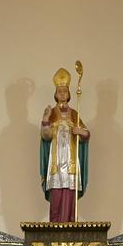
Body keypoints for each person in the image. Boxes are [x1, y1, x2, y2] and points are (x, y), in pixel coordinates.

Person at [40, 66, 90, 222]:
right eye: (59, 91)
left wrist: (80, 131)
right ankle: (55, 224)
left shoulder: (74, 113)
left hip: (70, 160)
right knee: (56, 192)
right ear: (55, 94)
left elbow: (86, 134)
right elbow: (46, 136)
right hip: (56, 160)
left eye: (65, 91)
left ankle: (70, 222)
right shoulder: (51, 113)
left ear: (69, 94)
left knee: (70, 191)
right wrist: (46, 120)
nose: (62, 94)